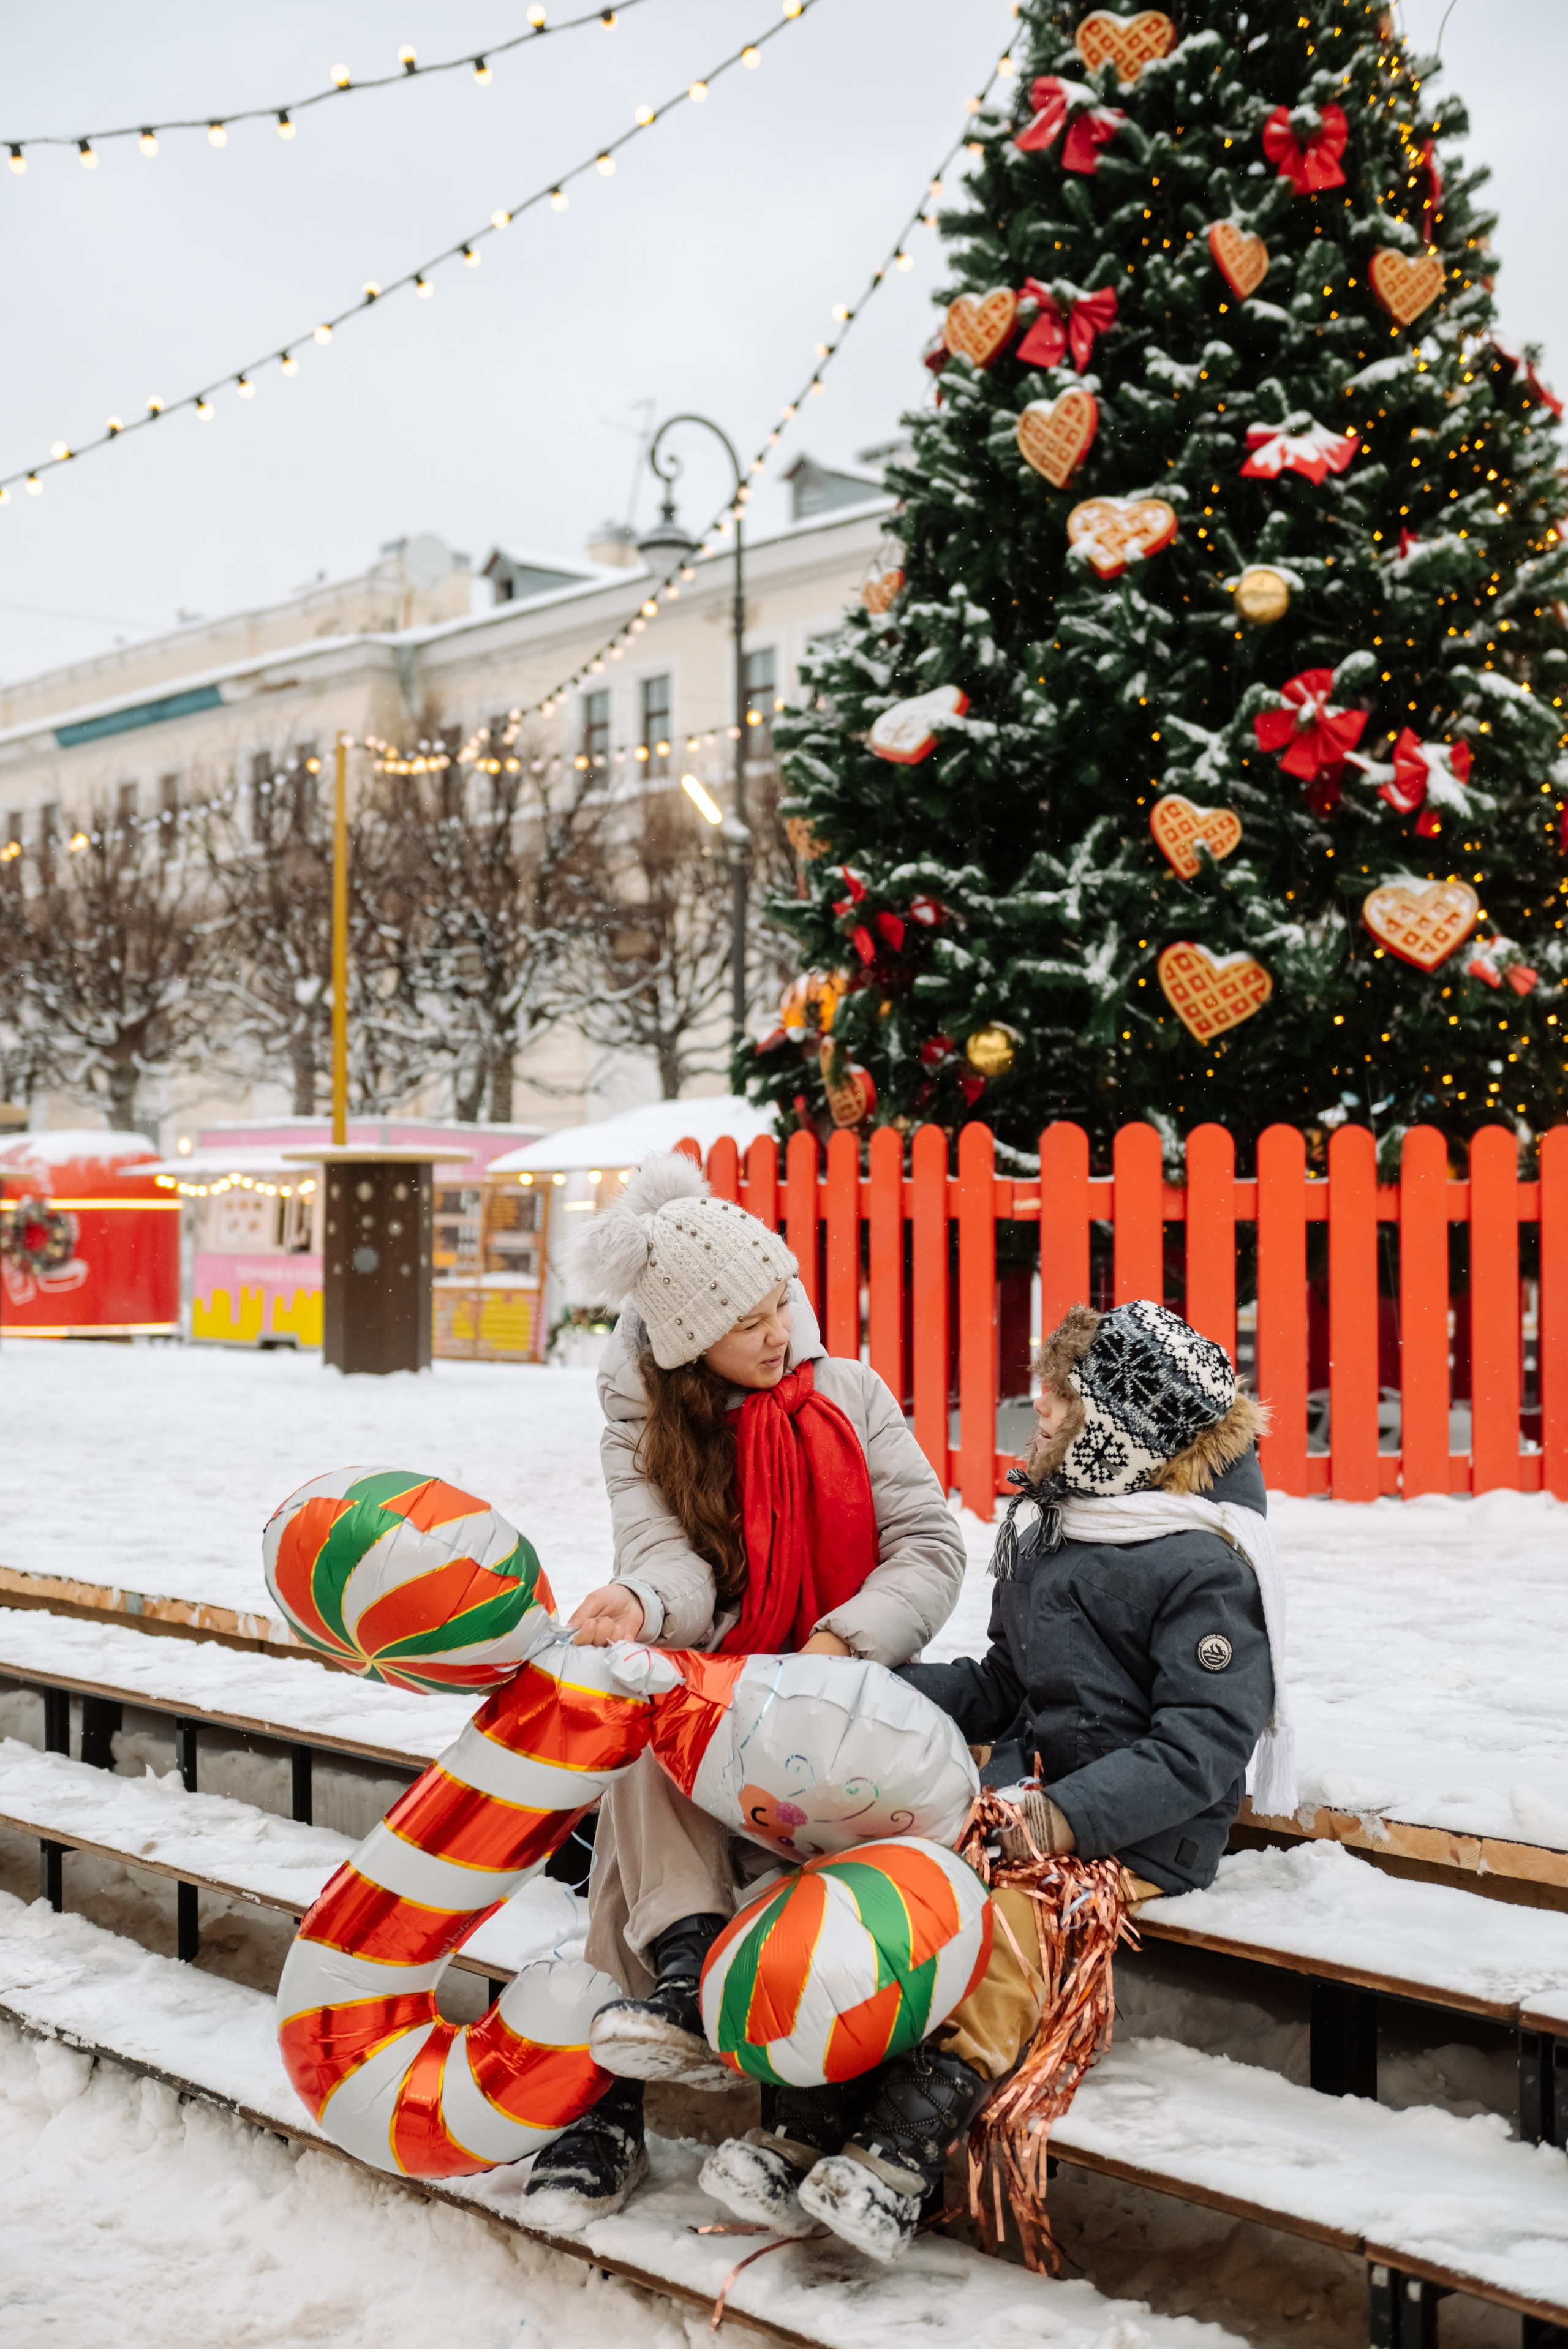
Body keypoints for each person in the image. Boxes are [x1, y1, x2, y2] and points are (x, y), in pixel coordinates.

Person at [703, 1297, 1289, 2263]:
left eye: (1060, 1400)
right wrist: (869, 1687)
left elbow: (1203, 1746)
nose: (1039, 1414)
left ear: (1120, 1423)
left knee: (1007, 1923)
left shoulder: (1199, 1562)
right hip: (1025, 1800)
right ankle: (807, 2121)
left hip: (1134, 1830)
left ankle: (899, 2155)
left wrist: (1062, 1821)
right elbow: (1006, 1684)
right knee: (889, 1887)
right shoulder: (1058, 1529)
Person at [521, 1152, 966, 2225]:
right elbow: (670, 1563)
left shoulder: (849, 1395)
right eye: (751, 1320)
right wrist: (637, 1601)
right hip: (737, 1698)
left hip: (852, 1700)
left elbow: (931, 1547)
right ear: (685, 1346)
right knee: (643, 1711)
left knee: (654, 1734)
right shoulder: (652, 1433)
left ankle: (611, 2084)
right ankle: (679, 1968)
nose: (780, 1331)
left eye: (784, 1302)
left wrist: (842, 1641)